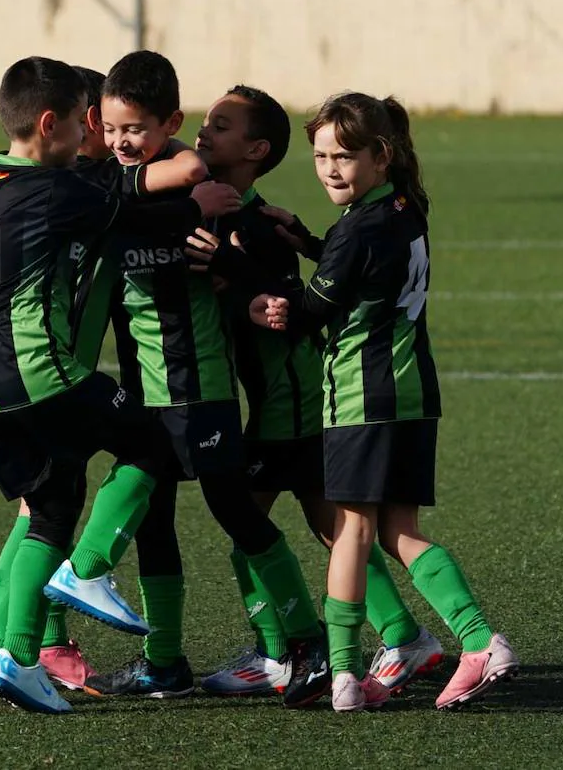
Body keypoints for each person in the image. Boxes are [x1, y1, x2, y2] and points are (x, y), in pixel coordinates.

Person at [54, 52, 332, 710]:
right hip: (146, 384)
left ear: (167, 125)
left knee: (235, 511)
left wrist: (258, 296)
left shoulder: (205, 197)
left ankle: (307, 641)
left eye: (137, 130)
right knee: (154, 520)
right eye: (114, 129)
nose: (123, 142)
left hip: (197, 384)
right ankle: (164, 660)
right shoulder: (123, 188)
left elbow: (245, 270)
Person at [0, 55, 238, 714]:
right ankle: (89, 572)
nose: (99, 134)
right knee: (153, 444)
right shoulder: (61, 190)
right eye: (90, 120)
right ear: (55, 124)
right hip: (44, 374)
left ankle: (7, 656)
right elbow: (140, 206)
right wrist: (196, 202)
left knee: (48, 512)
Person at [248, 91, 519, 712]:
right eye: (320, 156)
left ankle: (343, 673)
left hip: (361, 396)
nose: (329, 169)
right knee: (400, 529)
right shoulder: (405, 205)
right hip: (412, 391)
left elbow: (310, 313)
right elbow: (360, 265)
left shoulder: (358, 229)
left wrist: (251, 293)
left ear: (381, 155)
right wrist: (311, 242)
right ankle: (477, 642)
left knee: (352, 529)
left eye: (343, 156)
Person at [183, 85, 443, 698]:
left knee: (258, 526)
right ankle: (399, 635)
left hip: (295, 400)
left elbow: (296, 308)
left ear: (254, 150)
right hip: (290, 397)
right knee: (335, 530)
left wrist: (233, 266)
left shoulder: (252, 227)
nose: (202, 131)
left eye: (219, 125)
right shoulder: (234, 218)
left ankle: (288, 652)